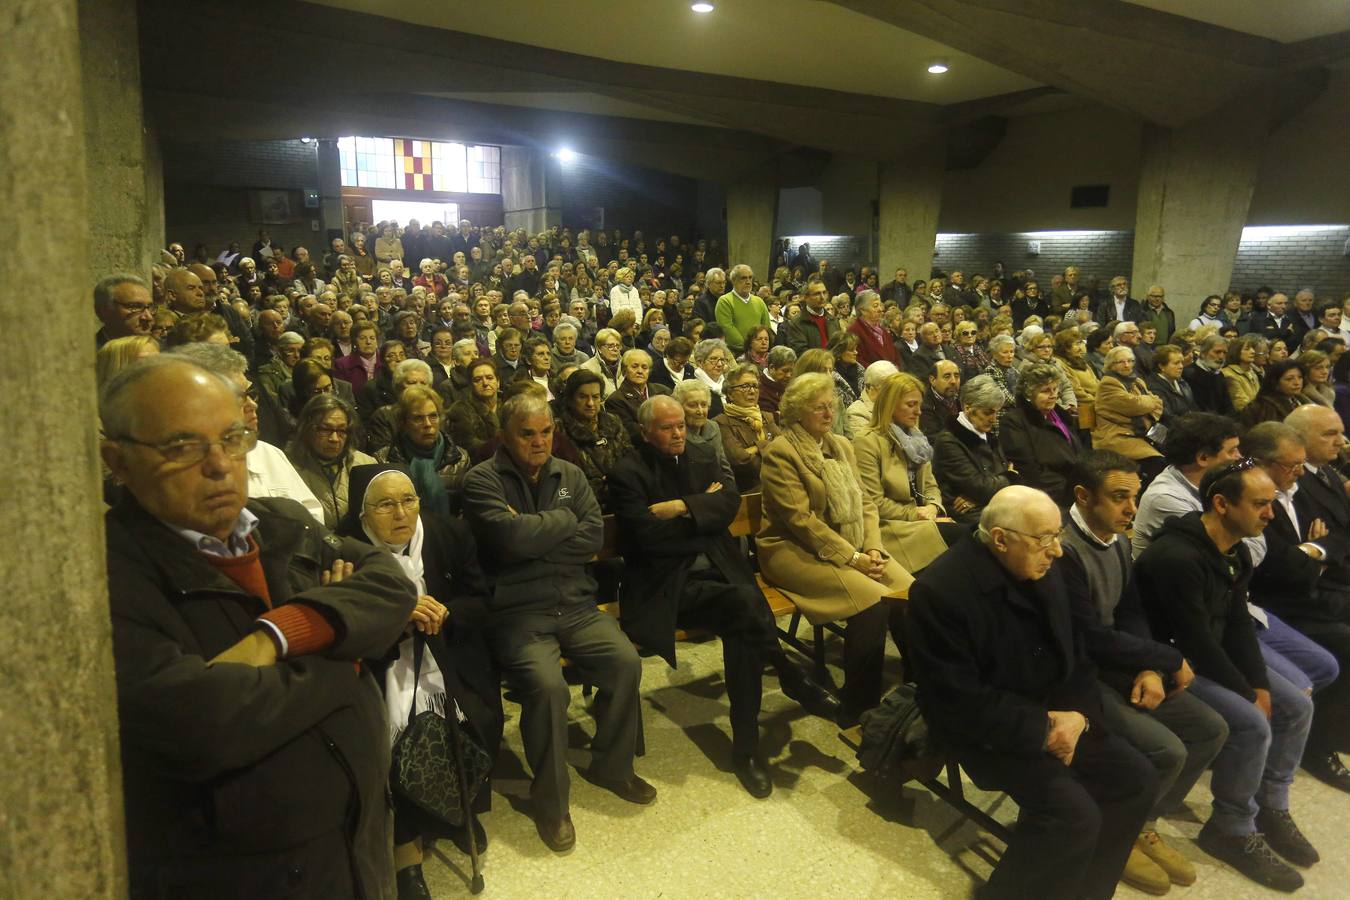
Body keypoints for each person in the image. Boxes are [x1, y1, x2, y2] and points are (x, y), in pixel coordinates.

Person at [99, 355, 415, 899]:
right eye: (182, 447)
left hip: (357, 843)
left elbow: (391, 584)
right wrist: (346, 651)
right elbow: (201, 722)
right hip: (249, 876)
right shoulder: (107, 573)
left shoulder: (283, 523)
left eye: (232, 438)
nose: (220, 465)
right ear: (118, 460)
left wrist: (279, 635)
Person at [906, 486, 1157, 900]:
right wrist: (1044, 727)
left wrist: (1078, 716)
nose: (1056, 551)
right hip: (989, 731)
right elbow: (957, 700)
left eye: (1058, 536)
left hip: (1063, 713)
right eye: (1045, 539)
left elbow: (1077, 649)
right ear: (1000, 539)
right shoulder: (940, 592)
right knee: (1072, 816)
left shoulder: (1050, 566)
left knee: (1136, 779)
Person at [462, 392, 650, 852]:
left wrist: (536, 529)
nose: (540, 441)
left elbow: (592, 536)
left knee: (625, 661)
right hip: (518, 612)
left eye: (546, 432)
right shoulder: (481, 480)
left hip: (577, 603)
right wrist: (562, 523)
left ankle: (612, 766)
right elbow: (507, 543)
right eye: (528, 434)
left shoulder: (569, 473)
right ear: (505, 436)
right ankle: (551, 803)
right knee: (548, 689)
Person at [1135, 462, 1316, 891]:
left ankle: (1269, 804)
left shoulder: (1232, 549)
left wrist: (1260, 685)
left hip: (1204, 654)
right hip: (1172, 663)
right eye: (1259, 504)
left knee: (1297, 705)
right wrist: (1247, 693)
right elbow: (1195, 641)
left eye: (1271, 503)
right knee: (1252, 724)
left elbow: (1235, 624)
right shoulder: (1177, 557)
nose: (1270, 514)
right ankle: (1231, 827)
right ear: (1221, 504)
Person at [1060, 451, 1229, 894]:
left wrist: (1150, 666)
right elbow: (1090, 637)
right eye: (1119, 498)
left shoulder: (1115, 539)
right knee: (1166, 751)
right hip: (1081, 675)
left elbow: (1130, 609)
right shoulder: (1062, 549)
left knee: (1211, 729)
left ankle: (1141, 822)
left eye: (1134, 497)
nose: (1132, 509)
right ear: (1082, 496)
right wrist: (1167, 659)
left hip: (1120, 664)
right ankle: (1115, 833)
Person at [336, 465, 503, 897]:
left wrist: (445, 614)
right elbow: (342, 626)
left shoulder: (447, 534)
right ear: (363, 513)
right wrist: (397, 620)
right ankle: (407, 857)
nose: (401, 513)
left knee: (471, 722)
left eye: (409, 500)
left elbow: (480, 600)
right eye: (386, 504)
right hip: (380, 665)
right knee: (391, 744)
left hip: (448, 653)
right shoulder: (344, 552)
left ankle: (456, 812)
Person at [607, 395, 780, 796]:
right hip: (665, 586)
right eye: (667, 427)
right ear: (646, 433)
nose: (678, 433)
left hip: (717, 574)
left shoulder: (701, 455)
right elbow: (648, 539)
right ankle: (788, 678)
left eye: (681, 424)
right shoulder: (626, 472)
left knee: (744, 619)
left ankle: (746, 748)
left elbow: (729, 503)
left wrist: (682, 507)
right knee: (748, 606)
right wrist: (703, 514)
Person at [757, 372, 914, 727]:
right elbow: (801, 522)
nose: (829, 414)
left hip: (851, 542)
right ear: (797, 413)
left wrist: (872, 548)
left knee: (909, 594)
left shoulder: (841, 445)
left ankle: (919, 686)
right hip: (791, 551)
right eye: (819, 409)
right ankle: (858, 709)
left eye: (831, 406)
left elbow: (867, 505)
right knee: (873, 602)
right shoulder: (781, 454)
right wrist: (854, 558)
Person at [169, 343, 326, 525]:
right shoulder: (184, 472)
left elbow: (313, 517)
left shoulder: (269, 453)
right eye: (237, 397)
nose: (252, 405)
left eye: (250, 393)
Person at [853, 372, 957, 574]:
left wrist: (933, 508)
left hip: (921, 522)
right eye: (911, 405)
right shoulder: (867, 442)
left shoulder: (917, 439)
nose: (919, 412)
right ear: (890, 405)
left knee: (971, 537)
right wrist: (918, 514)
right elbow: (875, 503)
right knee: (963, 538)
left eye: (919, 404)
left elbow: (931, 486)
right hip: (891, 527)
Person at [1131, 412, 1243, 558]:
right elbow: (1220, 553)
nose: (1239, 457)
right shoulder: (1165, 498)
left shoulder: (1216, 483)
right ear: (1203, 458)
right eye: (1232, 451)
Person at [375, 385, 468, 517]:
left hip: (449, 532)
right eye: (418, 418)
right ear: (404, 423)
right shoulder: (383, 460)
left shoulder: (460, 458)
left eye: (433, 416)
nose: (428, 424)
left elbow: (466, 510)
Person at [932, 375, 1014, 525]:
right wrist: (1010, 477)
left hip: (989, 505)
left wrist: (979, 495)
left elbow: (983, 488)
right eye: (988, 412)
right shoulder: (948, 441)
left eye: (996, 412)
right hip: (967, 515)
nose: (994, 419)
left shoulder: (986, 434)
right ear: (968, 408)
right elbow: (981, 487)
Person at [285, 394, 377, 529]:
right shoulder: (287, 468)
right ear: (307, 428)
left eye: (341, 430)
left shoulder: (366, 465)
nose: (334, 438)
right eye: (325, 429)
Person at [1000, 363, 1082, 506]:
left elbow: (1078, 455)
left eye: (1055, 389)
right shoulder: (1014, 421)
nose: (1053, 395)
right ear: (1028, 394)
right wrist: (1070, 491)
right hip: (1048, 495)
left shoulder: (1060, 415)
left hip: (1074, 486)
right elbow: (1030, 470)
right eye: (1045, 391)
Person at [560, 368, 635, 510]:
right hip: (583, 504)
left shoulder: (613, 422)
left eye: (595, 397)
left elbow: (629, 458)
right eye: (583, 397)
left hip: (621, 497)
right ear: (570, 399)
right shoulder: (559, 430)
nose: (590, 403)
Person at [1093, 346, 1164, 471]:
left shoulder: (1137, 381)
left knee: (1178, 448)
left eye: (1130, 361)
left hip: (1144, 432)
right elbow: (1136, 406)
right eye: (1121, 362)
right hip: (1118, 436)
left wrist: (1146, 406)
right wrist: (1147, 405)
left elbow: (1159, 404)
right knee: (1158, 462)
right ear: (1111, 364)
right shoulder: (1108, 383)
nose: (1127, 365)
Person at [715, 362, 781, 491]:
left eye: (755, 386)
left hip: (775, 482)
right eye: (745, 386)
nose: (752, 391)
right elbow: (739, 460)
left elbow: (784, 446)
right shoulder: (721, 422)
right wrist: (766, 445)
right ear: (730, 394)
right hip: (748, 489)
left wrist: (755, 449)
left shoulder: (767, 417)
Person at [605, 349, 672, 441]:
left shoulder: (664, 391)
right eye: (634, 366)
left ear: (649, 371)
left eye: (644, 367)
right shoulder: (616, 400)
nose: (640, 371)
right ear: (624, 370)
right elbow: (631, 432)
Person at [445, 358, 501, 460]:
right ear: (470, 385)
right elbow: (471, 447)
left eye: (489, 378)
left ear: (498, 382)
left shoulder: (510, 403)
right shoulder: (461, 410)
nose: (485, 383)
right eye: (477, 380)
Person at [714, 264, 770, 355]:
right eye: (743, 278)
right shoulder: (725, 301)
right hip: (736, 353)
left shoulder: (759, 301)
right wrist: (749, 346)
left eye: (750, 278)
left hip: (760, 353)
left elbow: (766, 328)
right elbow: (727, 328)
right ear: (734, 280)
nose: (748, 282)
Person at [1241, 359, 1309, 427]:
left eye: (1300, 377)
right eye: (1289, 379)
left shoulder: (1301, 400)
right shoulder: (1264, 406)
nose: (1297, 383)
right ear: (1275, 383)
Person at [94, 273, 155, 347]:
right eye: (134, 307)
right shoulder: (87, 354)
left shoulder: (160, 351)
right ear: (102, 312)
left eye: (150, 307)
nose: (148, 317)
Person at [1144, 344, 1197, 425]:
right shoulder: (1153, 387)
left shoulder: (1181, 382)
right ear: (1161, 366)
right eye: (1176, 363)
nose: (1181, 366)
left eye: (1181, 362)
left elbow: (1193, 407)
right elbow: (1167, 418)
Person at [846, 359, 901, 436]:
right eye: (886, 389)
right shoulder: (856, 412)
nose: (893, 393)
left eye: (895, 388)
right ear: (869, 388)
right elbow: (865, 443)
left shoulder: (900, 406)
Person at [847, 290, 899, 366]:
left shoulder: (883, 331)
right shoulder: (854, 331)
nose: (880, 309)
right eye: (875, 306)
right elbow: (857, 361)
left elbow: (896, 356)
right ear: (863, 310)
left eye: (880, 305)